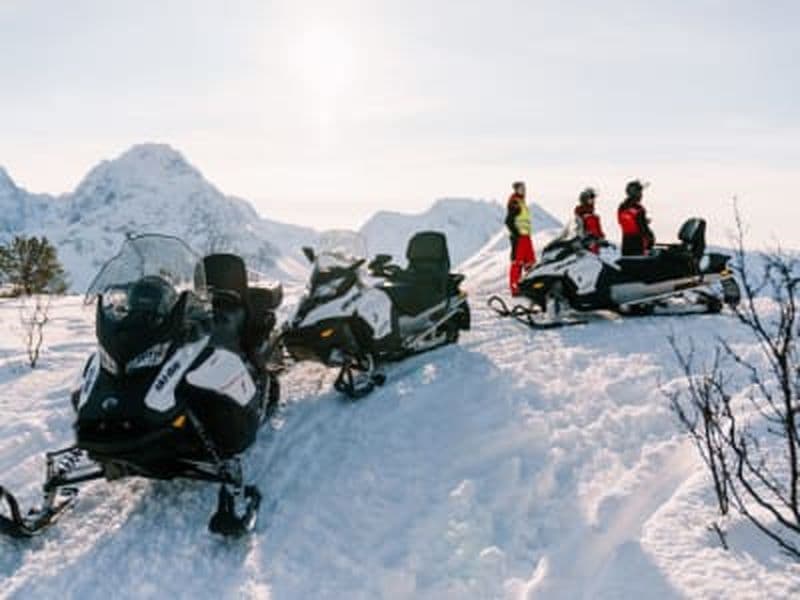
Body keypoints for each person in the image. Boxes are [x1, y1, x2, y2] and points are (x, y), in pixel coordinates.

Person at [506, 181, 536, 296]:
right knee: (517, 263)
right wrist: (516, 235)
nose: (523, 190)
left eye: (524, 188)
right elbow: (508, 221)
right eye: (521, 188)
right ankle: (515, 289)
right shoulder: (515, 202)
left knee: (530, 262)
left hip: (526, 236)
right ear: (516, 189)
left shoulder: (522, 202)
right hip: (519, 238)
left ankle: (531, 288)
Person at [618, 180, 655, 256]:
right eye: (640, 192)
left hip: (626, 243)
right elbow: (642, 228)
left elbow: (624, 222)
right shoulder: (639, 209)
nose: (641, 195)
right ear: (636, 193)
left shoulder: (622, 207)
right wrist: (651, 238)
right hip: (638, 244)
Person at [574, 187, 605, 254]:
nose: (593, 200)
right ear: (585, 199)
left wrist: (601, 237)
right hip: (587, 243)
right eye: (591, 198)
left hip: (592, 243)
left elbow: (598, 230)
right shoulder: (583, 214)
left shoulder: (592, 215)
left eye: (593, 198)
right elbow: (577, 228)